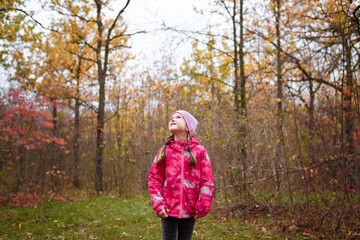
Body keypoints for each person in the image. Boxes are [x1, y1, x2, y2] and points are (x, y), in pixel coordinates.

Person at [148, 110, 214, 240]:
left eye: (178, 117)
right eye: (171, 117)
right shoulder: (164, 151)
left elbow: (207, 181)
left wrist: (202, 205)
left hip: (191, 210)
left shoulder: (200, 152)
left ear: (188, 127)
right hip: (168, 209)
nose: (173, 119)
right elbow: (154, 179)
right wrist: (158, 203)